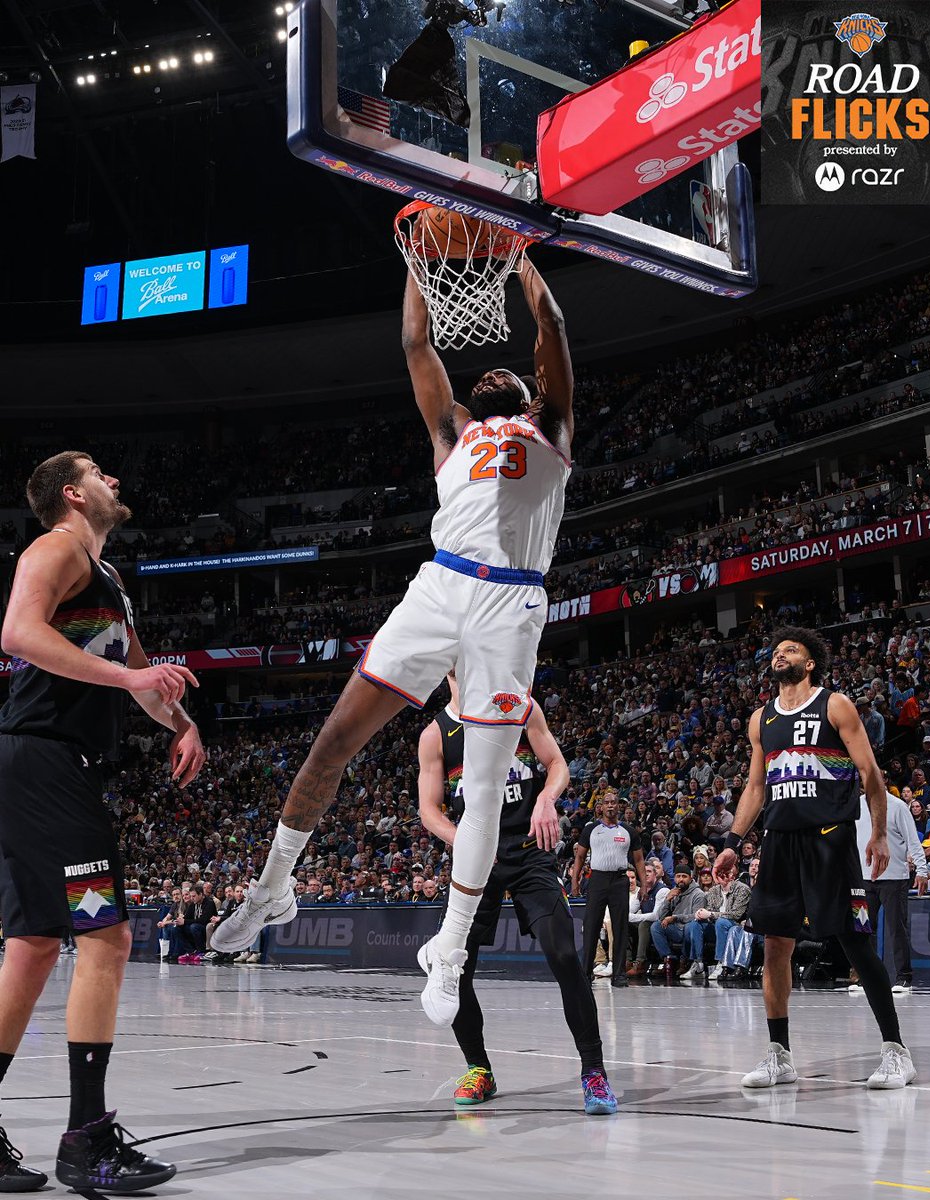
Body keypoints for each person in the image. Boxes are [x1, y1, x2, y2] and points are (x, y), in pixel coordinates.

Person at [213, 253, 573, 1026]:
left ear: (529, 396)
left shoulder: (551, 428)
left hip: (510, 604)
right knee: (334, 740)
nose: (489, 375)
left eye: (506, 375)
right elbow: (416, 342)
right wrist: (419, 253)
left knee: (483, 790)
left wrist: (520, 260)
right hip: (441, 586)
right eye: (483, 377)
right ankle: (273, 888)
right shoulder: (453, 432)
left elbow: (551, 324)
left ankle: (451, 948)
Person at [0, 451, 205, 1191]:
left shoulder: (108, 577)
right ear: (72, 493)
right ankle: (86, 1142)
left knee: (31, 947)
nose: (113, 478)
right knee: (106, 935)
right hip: (44, 761)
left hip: (39, 766)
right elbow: (17, 633)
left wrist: (180, 721)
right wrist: (129, 675)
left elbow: (142, 679)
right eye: (97, 471)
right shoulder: (56, 547)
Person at [714, 627, 916, 1091]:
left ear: (809, 663)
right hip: (780, 842)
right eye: (776, 650)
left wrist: (878, 833)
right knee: (775, 945)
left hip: (829, 838)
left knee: (854, 940)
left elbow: (869, 772)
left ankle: (896, 1051)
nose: (779, 654)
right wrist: (733, 840)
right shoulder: (761, 719)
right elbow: (756, 787)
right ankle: (779, 1055)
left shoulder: (834, 705)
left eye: (790, 649)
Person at [418, 675, 616, 1115]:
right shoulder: (436, 734)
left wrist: (547, 798)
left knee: (563, 955)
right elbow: (429, 809)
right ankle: (478, 1069)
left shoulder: (518, 706)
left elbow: (557, 763)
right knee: (455, 967)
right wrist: (464, 841)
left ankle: (594, 1072)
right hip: (476, 859)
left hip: (529, 852)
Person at [854, 790, 929, 995]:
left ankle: (904, 977)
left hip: (894, 878)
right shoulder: (855, 805)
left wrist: (922, 870)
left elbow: (912, 840)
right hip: (863, 878)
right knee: (862, 930)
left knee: (897, 929)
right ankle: (866, 978)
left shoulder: (898, 806)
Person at [570, 792, 646, 987]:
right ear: (601, 806)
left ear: (619, 806)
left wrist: (644, 884)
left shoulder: (628, 831)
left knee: (620, 927)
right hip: (597, 879)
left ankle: (619, 974)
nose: (610, 805)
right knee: (591, 926)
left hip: (619, 880)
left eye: (614, 802)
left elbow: (638, 860)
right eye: (607, 802)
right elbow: (580, 857)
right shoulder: (591, 829)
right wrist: (575, 881)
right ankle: (586, 972)